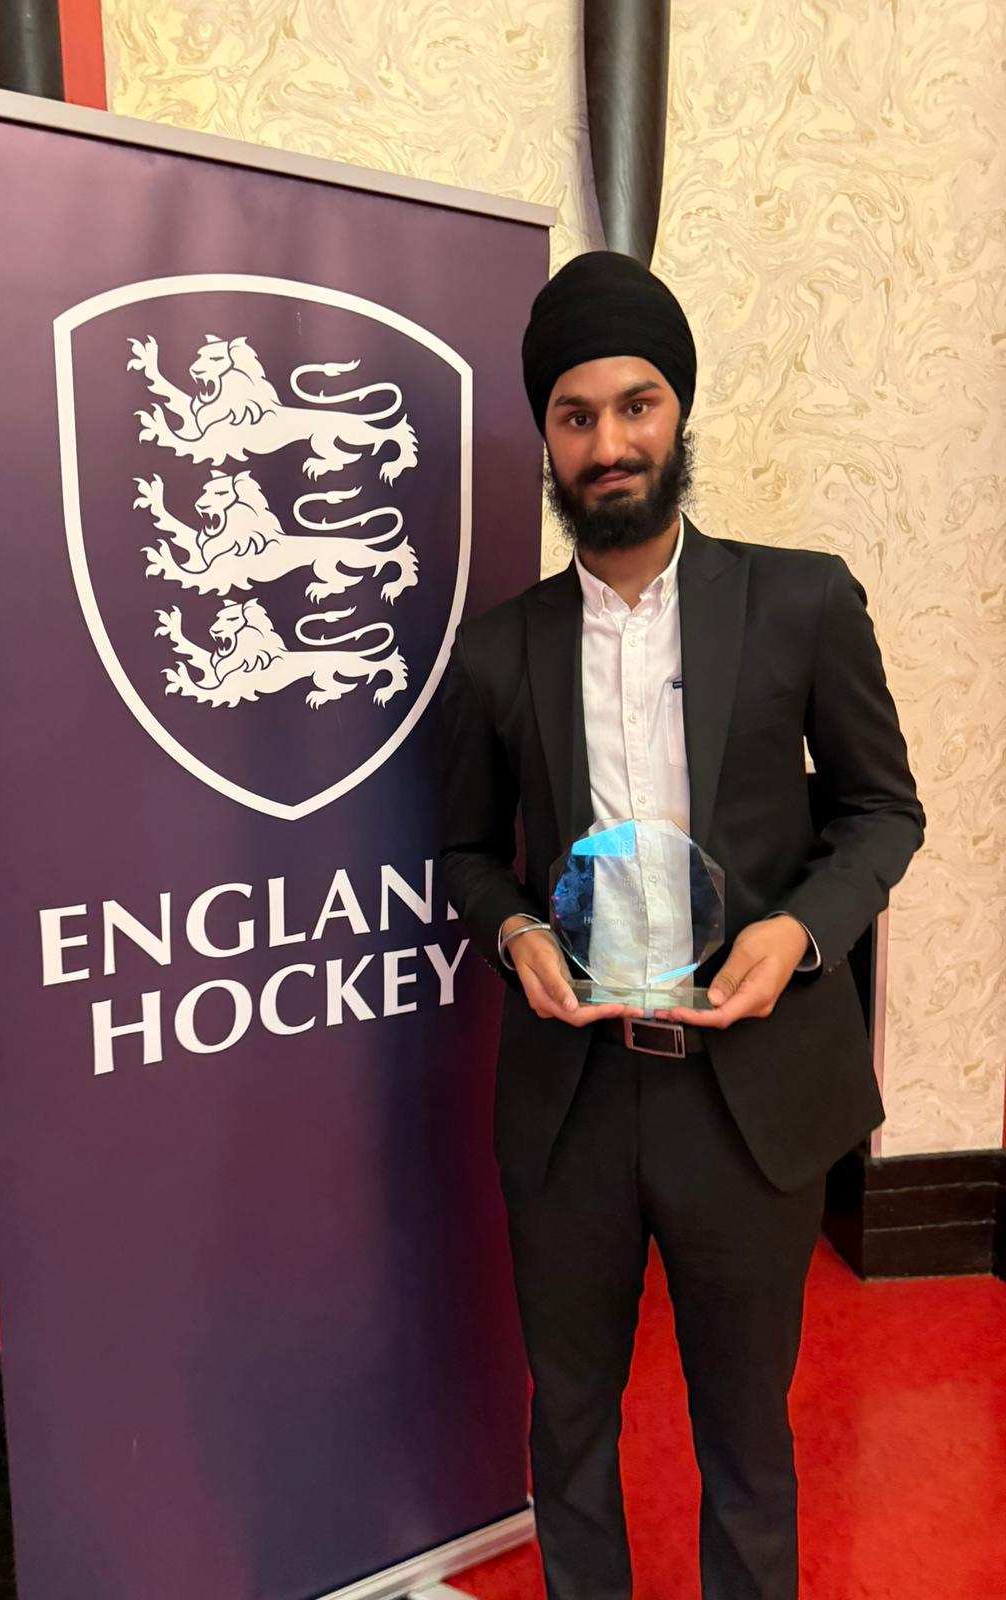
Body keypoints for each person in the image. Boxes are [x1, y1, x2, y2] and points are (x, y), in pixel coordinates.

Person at [439, 251, 924, 1600]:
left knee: (746, 1439)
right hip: (574, 1101)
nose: (610, 442)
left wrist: (800, 939)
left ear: (680, 413)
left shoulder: (801, 602)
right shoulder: (499, 651)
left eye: (636, 404)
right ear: (546, 436)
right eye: (578, 415)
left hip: (747, 1100)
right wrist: (518, 937)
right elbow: (469, 854)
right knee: (572, 1424)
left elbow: (883, 811)